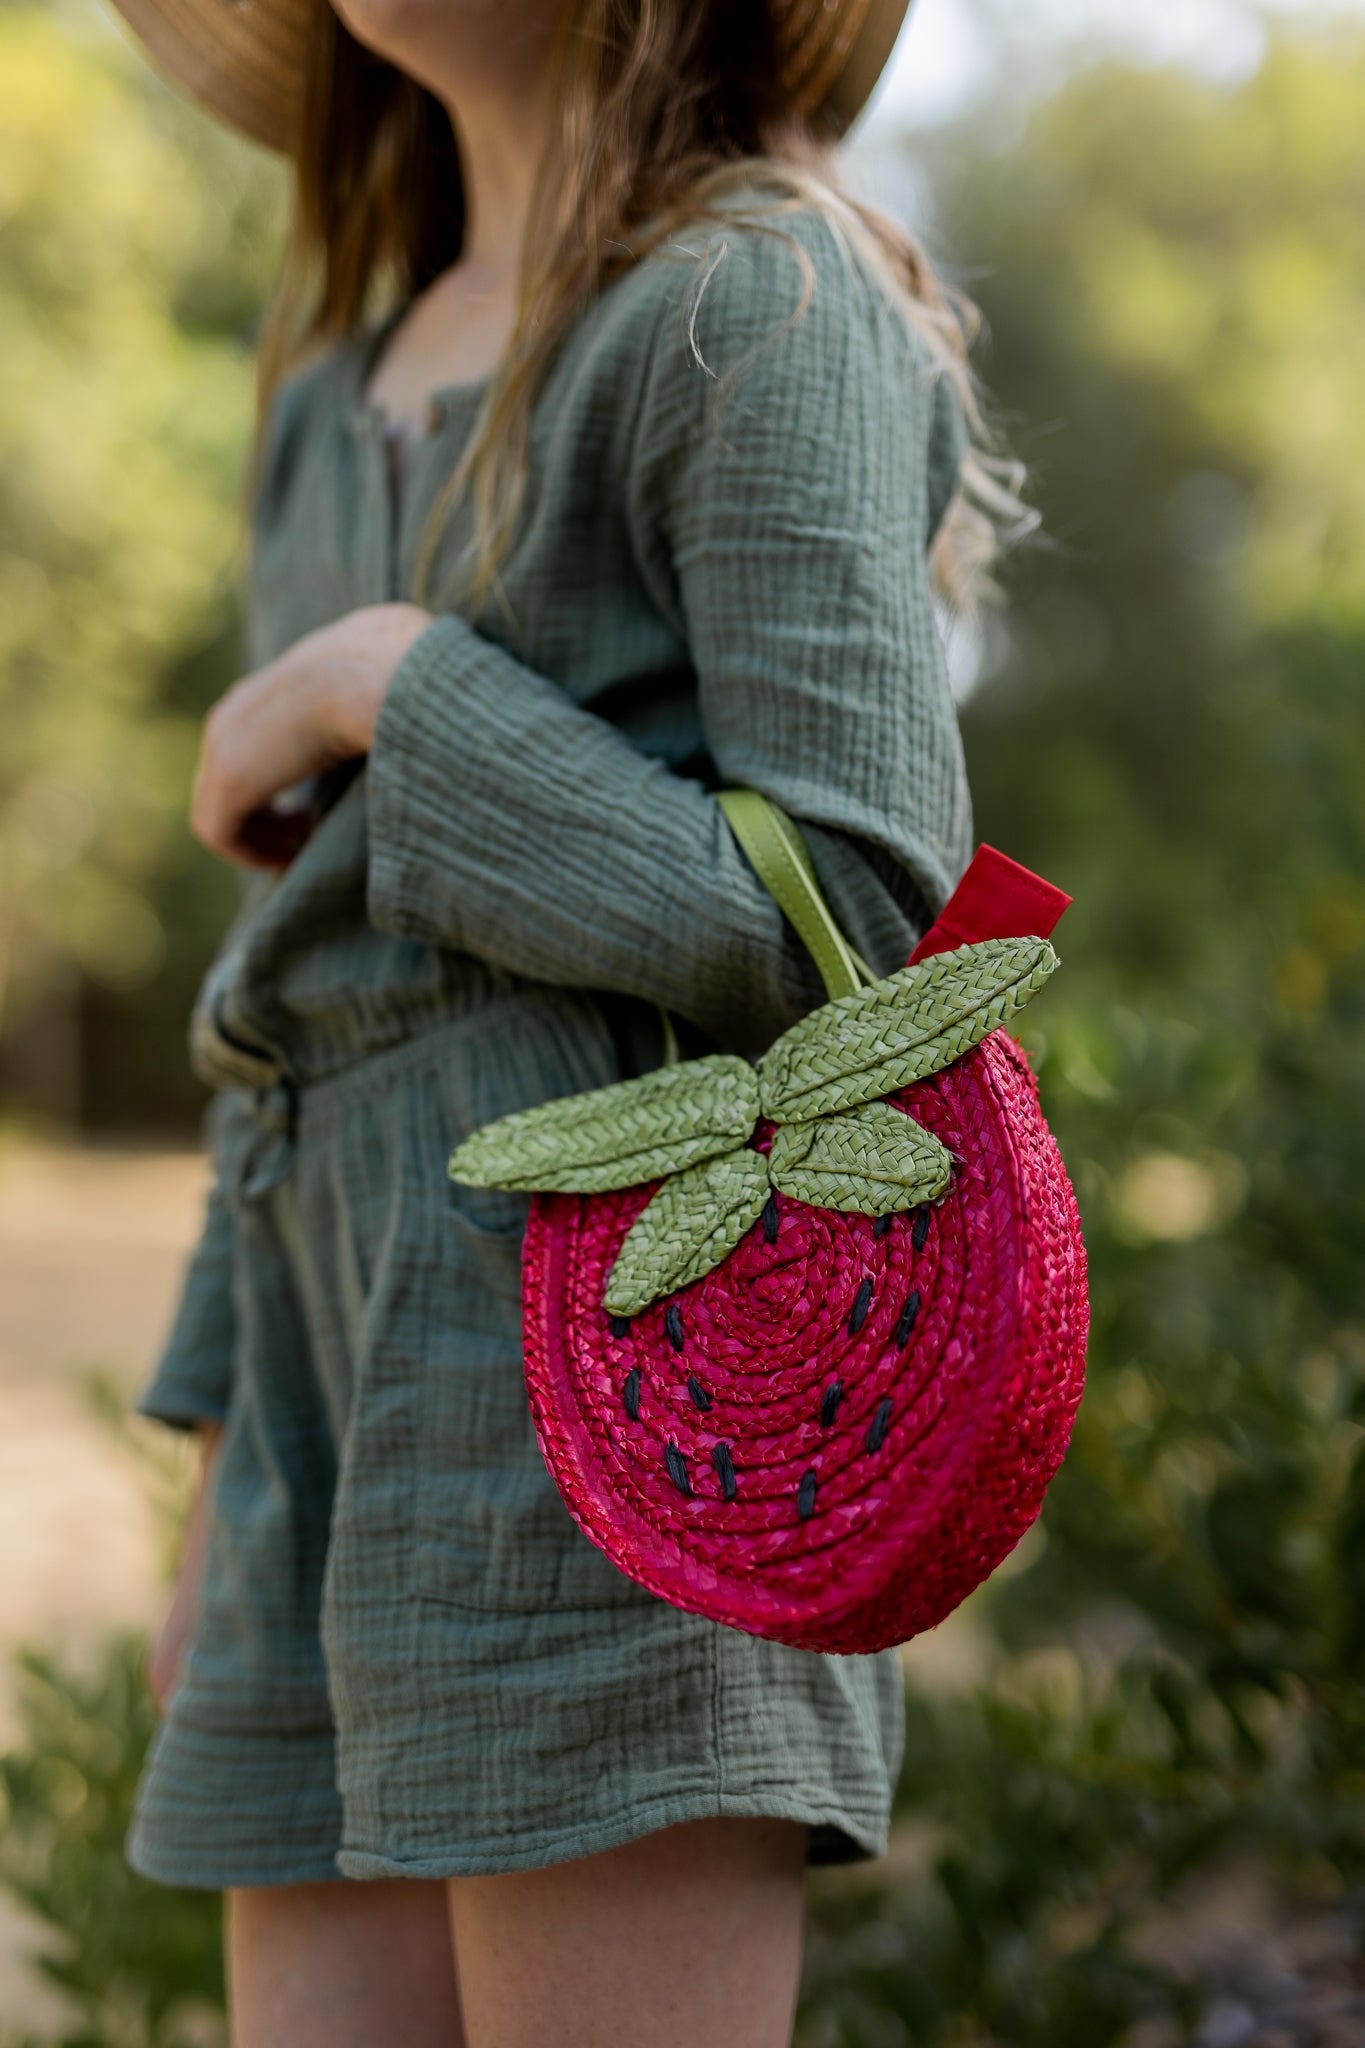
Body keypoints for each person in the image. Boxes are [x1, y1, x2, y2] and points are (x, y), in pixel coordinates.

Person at [104, 0, 1020, 2040]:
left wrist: (389, 684)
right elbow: (289, 1003)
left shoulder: (751, 298)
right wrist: (225, 1471)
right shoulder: (325, 402)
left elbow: (857, 927)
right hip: (312, 1413)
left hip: (628, 1369)